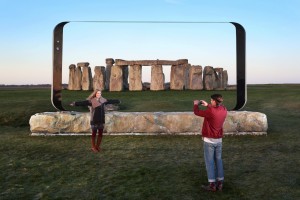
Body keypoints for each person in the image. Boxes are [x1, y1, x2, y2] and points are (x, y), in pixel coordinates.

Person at [193, 94, 227, 192]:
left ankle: (212, 185)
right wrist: (207, 104)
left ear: (214, 101)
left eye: (211, 101)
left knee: (210, 162)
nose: (210, 102)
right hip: (219, 140)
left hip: (209, 141)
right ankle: (220, 183)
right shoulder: (224, 109)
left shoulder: (210, 111)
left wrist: (196, 104)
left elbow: (197, 112)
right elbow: (215, 109)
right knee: (219, 161)